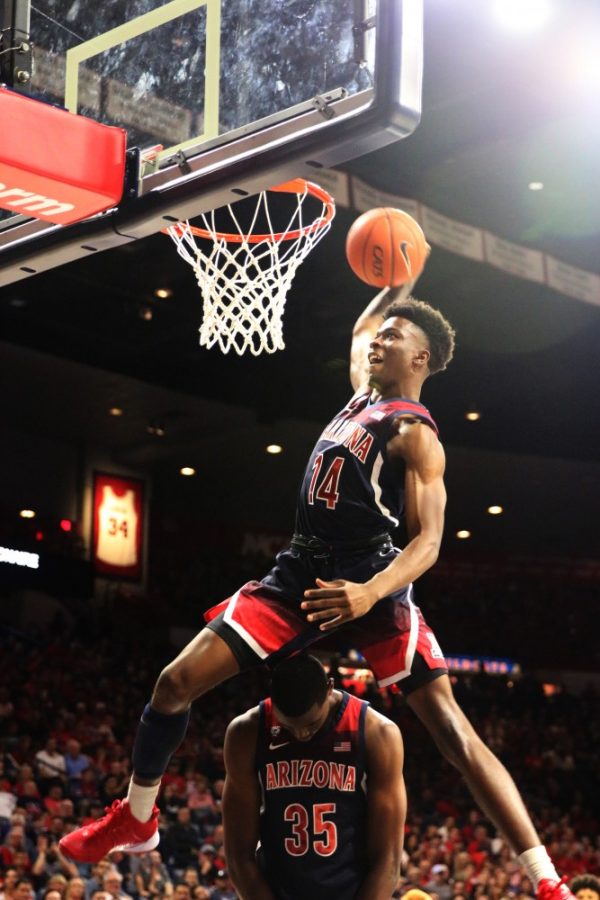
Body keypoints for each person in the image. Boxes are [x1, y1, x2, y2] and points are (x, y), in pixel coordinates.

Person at [59, 280, 577, 900]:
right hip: (300, 574)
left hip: (370, 578)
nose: (381, 339)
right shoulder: (362, 395)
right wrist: (396, 282)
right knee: (173, 684)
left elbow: (429, 542)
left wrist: (369, 594)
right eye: (383, 333)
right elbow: (361, 332)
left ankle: (546, 880)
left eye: (396, 336)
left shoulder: (414, 432)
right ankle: (137, 817)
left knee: (451, 731)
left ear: (421, 360)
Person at [222, 655, 405, 900]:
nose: (301, 734)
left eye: (311, 723)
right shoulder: (246, 731)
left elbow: (388, 860)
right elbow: (239, 856)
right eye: (289, 727)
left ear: (330, 688)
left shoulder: (377, 733)